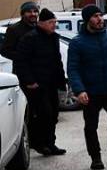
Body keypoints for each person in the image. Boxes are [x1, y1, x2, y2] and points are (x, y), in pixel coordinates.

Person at [67, 5, 107, 170]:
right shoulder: (77, 42)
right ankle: (95, 158)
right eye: (95, 16)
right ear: (88, 20)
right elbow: (73, 68)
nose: (99, 19)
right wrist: (79, 90)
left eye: (100, 15)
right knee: (90, 125)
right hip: (90, 91)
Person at [12, 8, 66, 156]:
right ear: (41, 23)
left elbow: (57, 61)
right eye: (50, 22)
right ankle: (39, 144)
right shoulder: (30, 38)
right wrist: (29, 80)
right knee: (43, 115)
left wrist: (62, 81)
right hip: (36, 85)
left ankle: (51, 143)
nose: (53, 25)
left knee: (53, 114)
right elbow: (20, 61)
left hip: (51, 83)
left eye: (55, 22)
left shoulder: (53, 37)